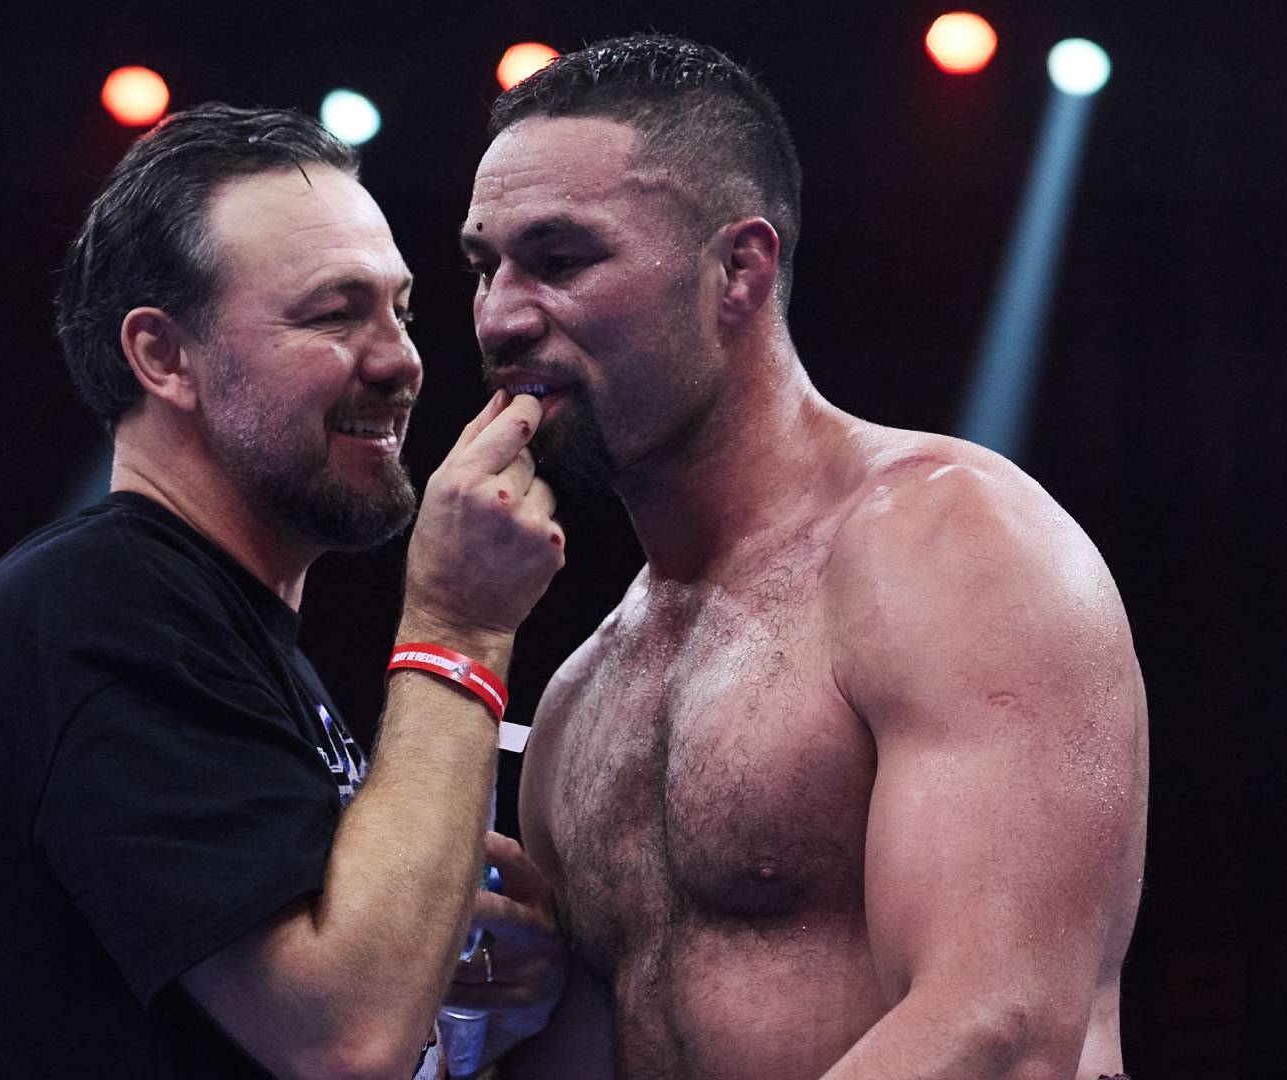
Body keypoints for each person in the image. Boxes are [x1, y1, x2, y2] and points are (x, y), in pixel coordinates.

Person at [453, 34, 1150, 1079]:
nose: (502, 317)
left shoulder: (950, 544)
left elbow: (1000, 1031)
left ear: (738, 270)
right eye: (485, 268)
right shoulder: (581, 695)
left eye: (560, 261)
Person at [0, 104, 568, 1080]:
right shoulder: (95, 604)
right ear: (162, 356)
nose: (399, 358)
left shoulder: (225, 634)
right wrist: (459, 627)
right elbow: (340, 1040)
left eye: (398, 309)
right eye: (334, 312)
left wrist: (455, 977)